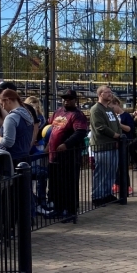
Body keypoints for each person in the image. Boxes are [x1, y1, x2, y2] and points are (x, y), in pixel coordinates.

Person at [46, 90, 89, 219]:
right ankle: (58, 208)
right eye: (65, 98)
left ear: (75, 100)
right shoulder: (58, 112)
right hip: (54, 155)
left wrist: (66, 144)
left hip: (69, 156)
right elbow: (49, 127)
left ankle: (70, 210)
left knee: (69, 184)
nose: (67, 100)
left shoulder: (78, 115)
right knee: (55, 184)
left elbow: (80, 132)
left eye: (70, 98)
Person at [88, 86, 122, 206]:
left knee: (111, 172)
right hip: (102, 145)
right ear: (100, 94)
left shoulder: (110, 109)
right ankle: (97, 196)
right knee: (101, 172)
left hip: (113, 145)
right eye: (107, 92)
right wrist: (115, 135)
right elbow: (100, 127)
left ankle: (107, 194)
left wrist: (120, 136)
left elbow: (117, 124)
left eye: (111, 92)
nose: (110, 94)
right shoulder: (96, 109)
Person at [0, 87, 34, 164]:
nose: (3, 107)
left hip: (11, 160)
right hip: (25, 158)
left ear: (7, 100)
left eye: (2, 104)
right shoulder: (27, 114)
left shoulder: (11, 117)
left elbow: (8, 142)